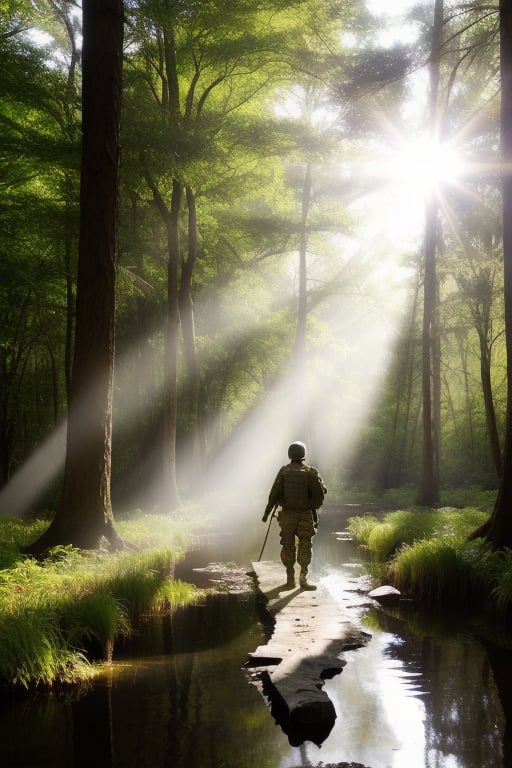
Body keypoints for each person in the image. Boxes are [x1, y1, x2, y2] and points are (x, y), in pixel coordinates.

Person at [262, 441, 326, 590]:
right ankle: (303, 580)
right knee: (305, 545)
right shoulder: (311, 472)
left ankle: (290, 579)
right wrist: (312, 507)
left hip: (287, 516)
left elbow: (273, 494)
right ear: (303, 454)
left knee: (287, 545)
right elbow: (320, 495)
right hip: (305, 515)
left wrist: (266, 513)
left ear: (290, 454)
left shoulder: (284, 471)